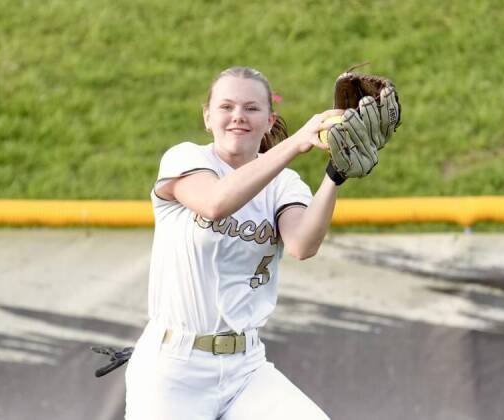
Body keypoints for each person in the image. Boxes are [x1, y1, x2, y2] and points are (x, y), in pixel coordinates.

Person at [124, 66, 360, 420]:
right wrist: (297, 142)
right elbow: (215, 203)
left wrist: (334, 175)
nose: (238, 116)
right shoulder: (185, 158)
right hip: (174, 368)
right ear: (207, 117)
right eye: (226, 106)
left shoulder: (284, 183)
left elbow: (302, 245)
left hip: (246, 368)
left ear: (269, 121)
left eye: (251, 108)